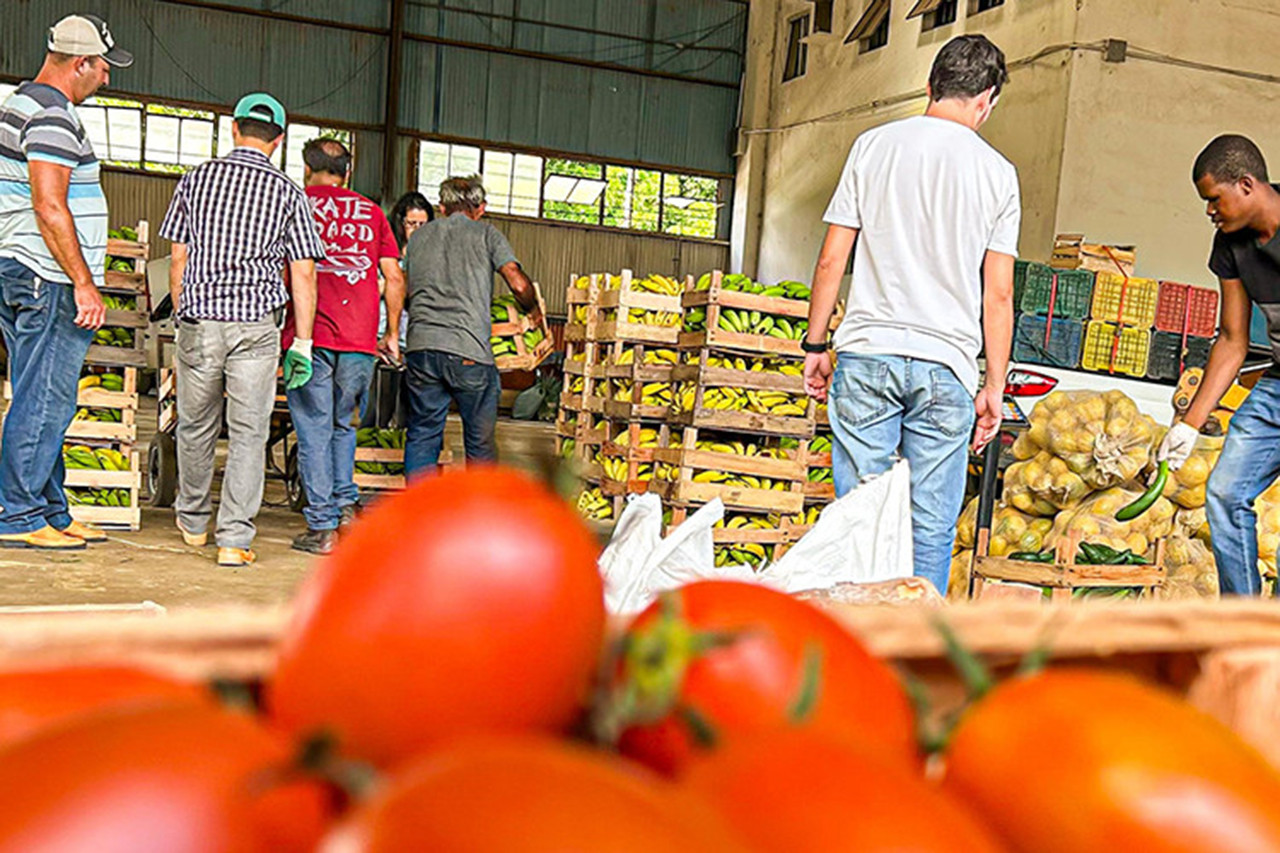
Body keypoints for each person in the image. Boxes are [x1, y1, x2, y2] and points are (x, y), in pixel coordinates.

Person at [800, 34, 1020, 595]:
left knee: (860, 517)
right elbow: (998, 294)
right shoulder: (998, 173)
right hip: (947, 365)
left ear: (930, 87)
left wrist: (816, 345)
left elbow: (831, 260)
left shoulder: (873, 146)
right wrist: (994, 386)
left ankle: (855, 635)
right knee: (931, 526)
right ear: (986, 100)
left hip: (867, 355)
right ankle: (918, 642)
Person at [159, 92, 325, 568]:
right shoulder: (289, 193)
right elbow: (304, 272)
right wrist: (304, 343)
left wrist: (184, 315)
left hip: (201, 320)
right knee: (249, 432)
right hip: (256, 326)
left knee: (196, 424)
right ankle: (233, 539)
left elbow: (178, 257)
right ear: (280, 140)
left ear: (234, 128)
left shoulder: (195, 179)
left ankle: (193, 522)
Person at [0, 14, 132, 550]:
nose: (106, 77)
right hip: (47, 274)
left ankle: (50, 509)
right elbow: (49, 205)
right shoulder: (53, 115)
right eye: (102, 67)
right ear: (80, 63)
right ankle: (18, 514)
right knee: (47, 399)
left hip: (20, 266)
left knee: (40, 394)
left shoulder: (18, 104)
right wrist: (83, 281)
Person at [1161, 135, 1280, 596]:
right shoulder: (1231, 245)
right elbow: (1233, 339)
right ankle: (1243, 619)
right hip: (1276, 388)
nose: (1210, 211)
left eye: (1214, 199)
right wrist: (1189, 424)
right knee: (1226, 493)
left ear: (1246, 184)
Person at [282, 138, 403, 555]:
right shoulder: (372, 212)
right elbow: (394, 277)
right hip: (360, 340)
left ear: (306, 168)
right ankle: (345, 508)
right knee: (341, 425)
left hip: (309, 338)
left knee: (313, 429)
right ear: (347, 173)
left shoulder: (295, 205)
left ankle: (322, 527)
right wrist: (391, 334)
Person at [402, 175, 538, 474]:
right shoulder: (487, 234)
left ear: (441, 207)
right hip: (469, 352)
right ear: (481, 208)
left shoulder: (419, 239)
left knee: (422, 435)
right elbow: (517, 283)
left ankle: (419, 504)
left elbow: (405, 291)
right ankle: (478, 503)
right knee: (479, 443)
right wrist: (533, 309)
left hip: (421, 349)